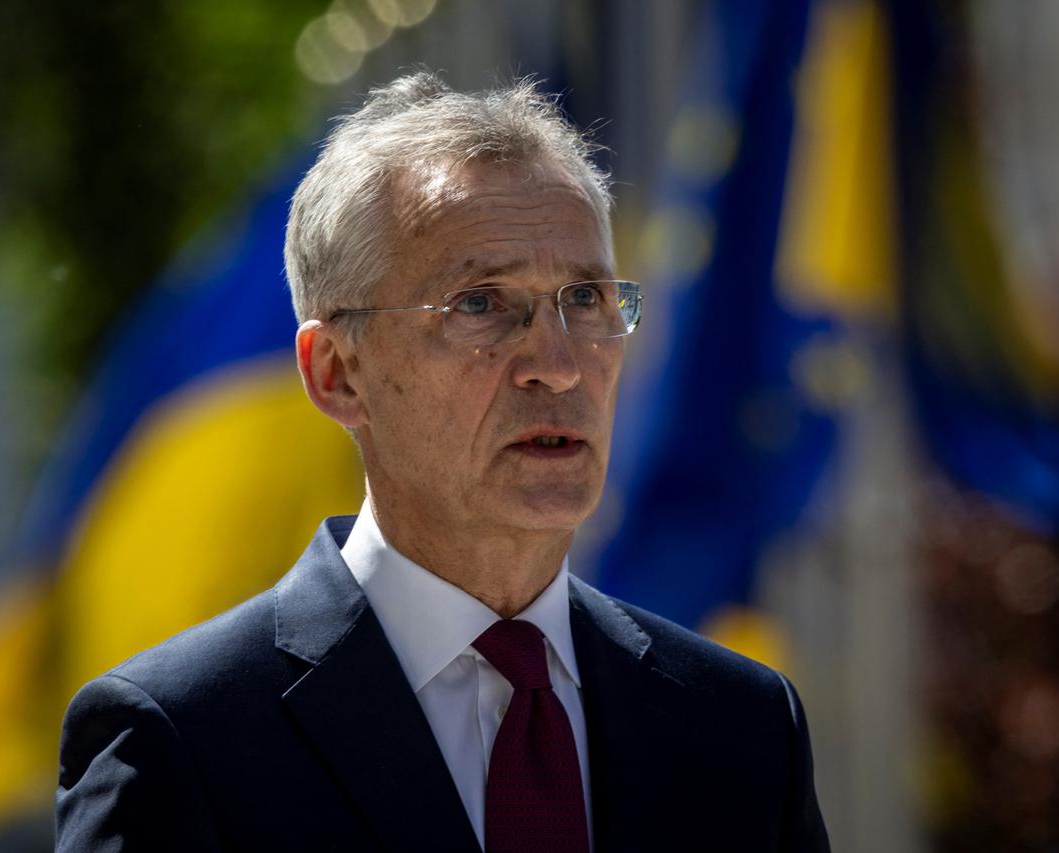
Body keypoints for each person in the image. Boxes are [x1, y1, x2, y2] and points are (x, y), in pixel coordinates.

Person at [55, 72, 830, 852]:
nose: (557, 365)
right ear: (337, 371)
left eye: (587, 299)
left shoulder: (744, 727)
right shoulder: (177, 739)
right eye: (482, 304)